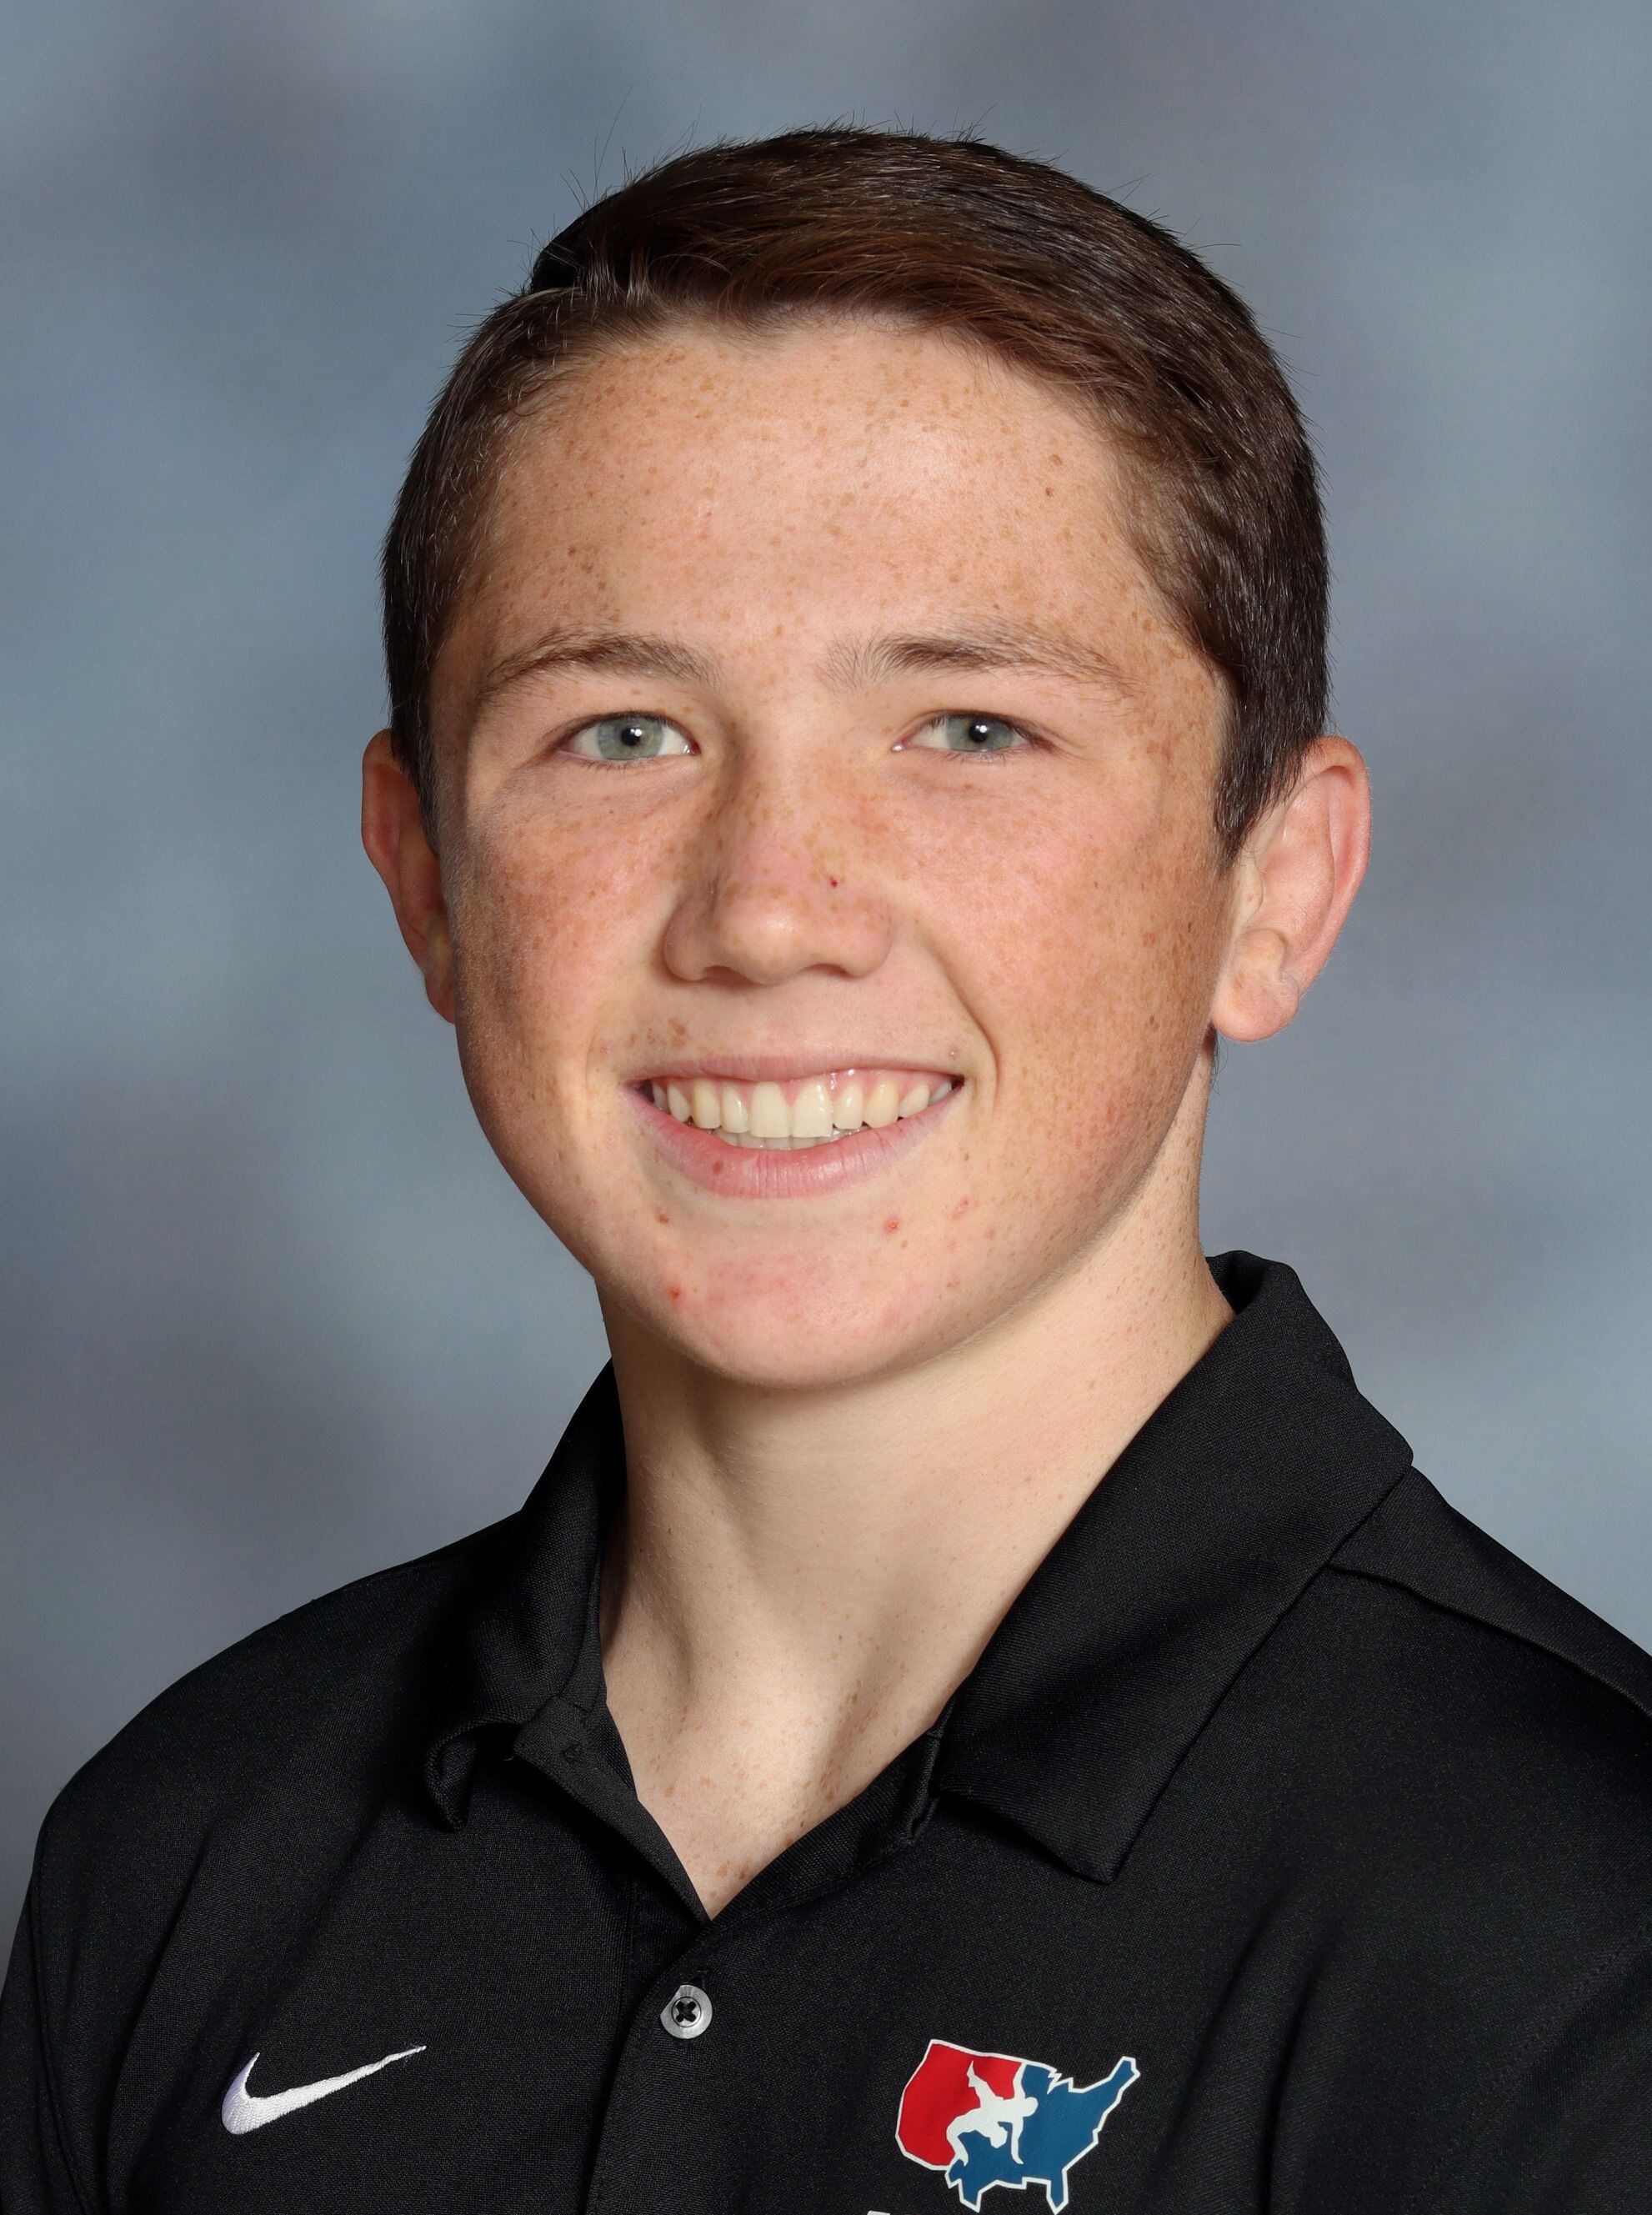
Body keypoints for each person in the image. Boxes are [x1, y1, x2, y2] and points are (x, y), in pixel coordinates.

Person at [3, 124, 1649, 2215]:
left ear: (1276, 887)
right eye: (621, 733)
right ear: (422, 880)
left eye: (968, 730)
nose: (769, 910)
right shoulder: (187, 1856)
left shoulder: (1574, 1956)